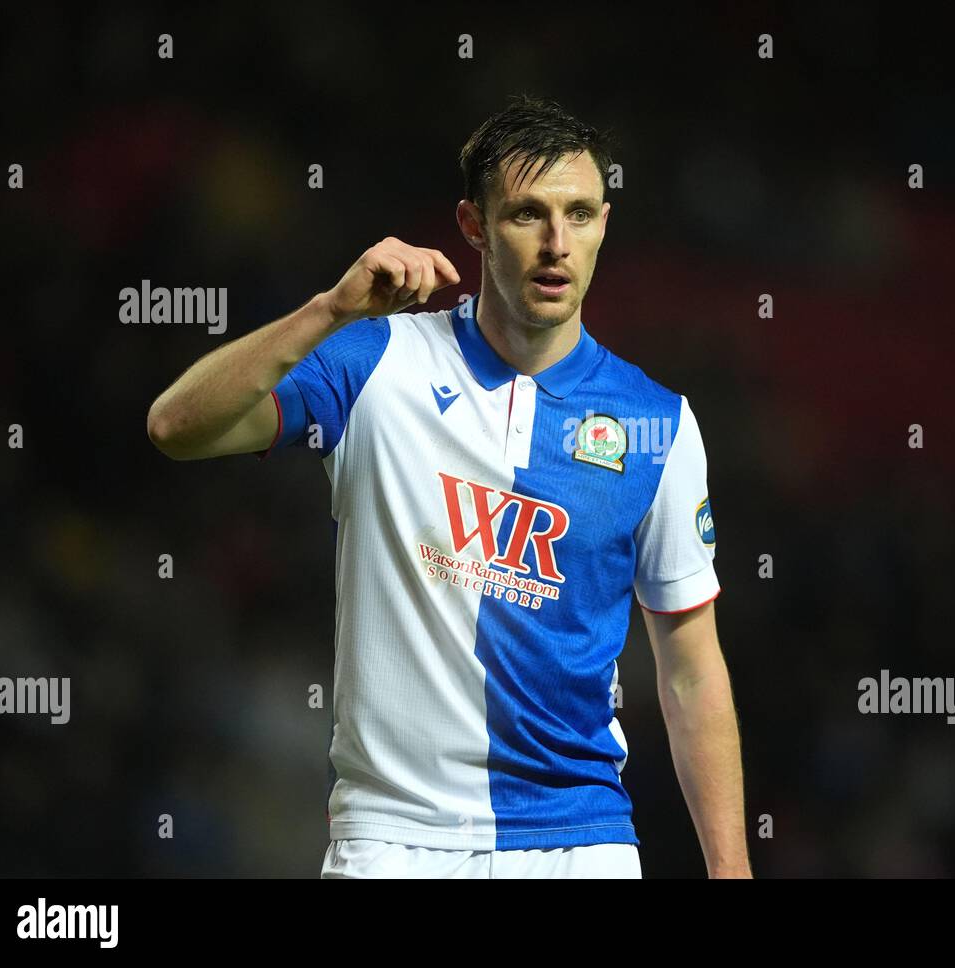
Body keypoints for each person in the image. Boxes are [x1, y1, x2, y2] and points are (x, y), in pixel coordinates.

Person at [147, 94, 750, 878]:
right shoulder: (375, 363)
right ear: (472, 226)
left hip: (580, 842)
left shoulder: (657, 425)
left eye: (580, 214)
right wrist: (327, 312)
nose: (556, 244)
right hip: (390, 839)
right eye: (527, 214)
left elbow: (692, 668)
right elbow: (177, 426)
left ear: (607, 222)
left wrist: (731, 871)